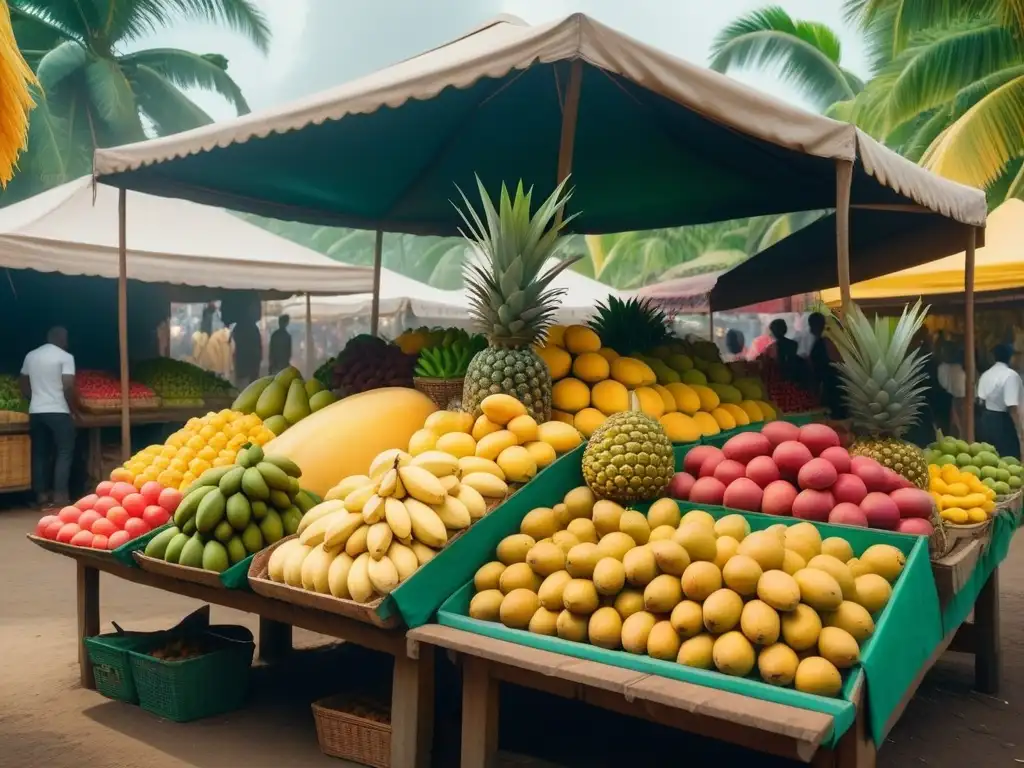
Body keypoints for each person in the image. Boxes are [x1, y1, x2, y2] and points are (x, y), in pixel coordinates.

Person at [20, 327, 78, 509]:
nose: (67, 341)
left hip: (36, 410)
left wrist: (34, 397)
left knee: (39, 453)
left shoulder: (31, 356)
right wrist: (73, 408)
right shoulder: (65, 357)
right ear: (60, 338)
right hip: (58, 410)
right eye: (66, 337)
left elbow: (23, 382)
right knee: (65, 451)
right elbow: (68, 386)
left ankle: (41, 496)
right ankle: (60, 497)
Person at [977, 343, 1024, 459]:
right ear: (1010, 357)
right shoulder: (1011, 376)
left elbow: (979, 400)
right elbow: (1012, 407)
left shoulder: (986, 374)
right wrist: (1020, 430)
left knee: (989, 457)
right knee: (1009, 457)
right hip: (1002, 422)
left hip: (985, 419)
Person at [937, 341, 967, 437]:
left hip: (951, 398)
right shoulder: (961, 368)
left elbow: (943, 384)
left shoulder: (942, 368)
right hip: (961, 398)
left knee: (954, 426)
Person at [231, 320, 262, 387]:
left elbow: (233, 341)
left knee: (241, 382)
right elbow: (258, 345)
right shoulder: (254, 327)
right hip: (252, 358)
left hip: (242, 359)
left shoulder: (238, 327)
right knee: (252, 382)